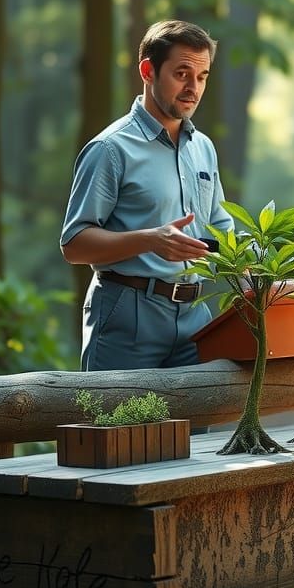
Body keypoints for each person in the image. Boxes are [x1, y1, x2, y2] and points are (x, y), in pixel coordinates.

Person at [60, 20, 233, 370]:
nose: (193, 88)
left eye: (202, 77)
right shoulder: (110, 149)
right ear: (147, 71)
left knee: (193, 426)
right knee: (118, 424)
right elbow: (74, 244)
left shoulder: (203, 148)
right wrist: (151, 240)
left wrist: (269, 271)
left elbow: (219, 227)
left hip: (195, 319)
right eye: (182, 73)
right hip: (128, 315)